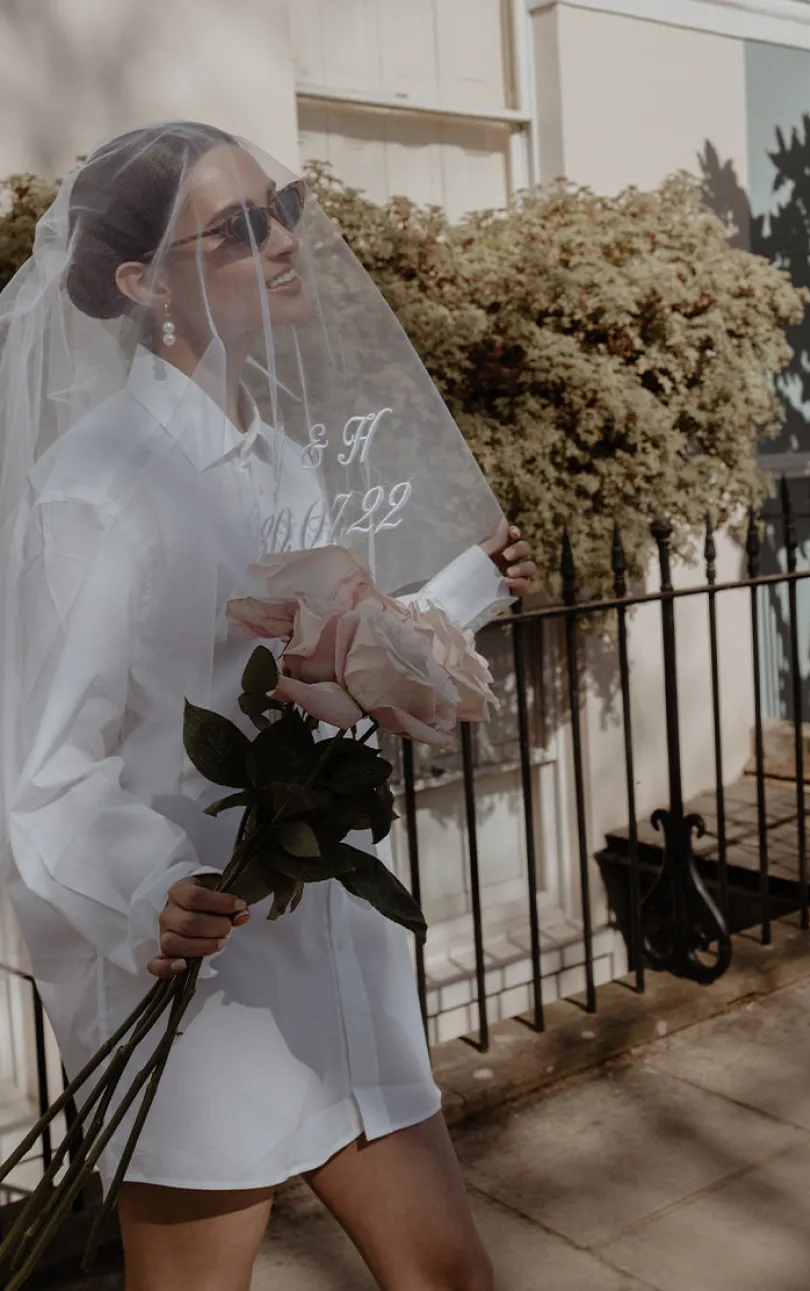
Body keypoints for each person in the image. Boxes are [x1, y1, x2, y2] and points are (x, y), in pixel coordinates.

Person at [0, 123, 536, 1291]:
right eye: (241, 228)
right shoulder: (97, 484)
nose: (286, 239)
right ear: (147, 286)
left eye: (280, 206)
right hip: (199, 985)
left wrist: (461, 596)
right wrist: (151, 892)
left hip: (336, 953)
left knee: (451, 1279)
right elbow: (44, 766)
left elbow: (319, 668)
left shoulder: (281, 464)